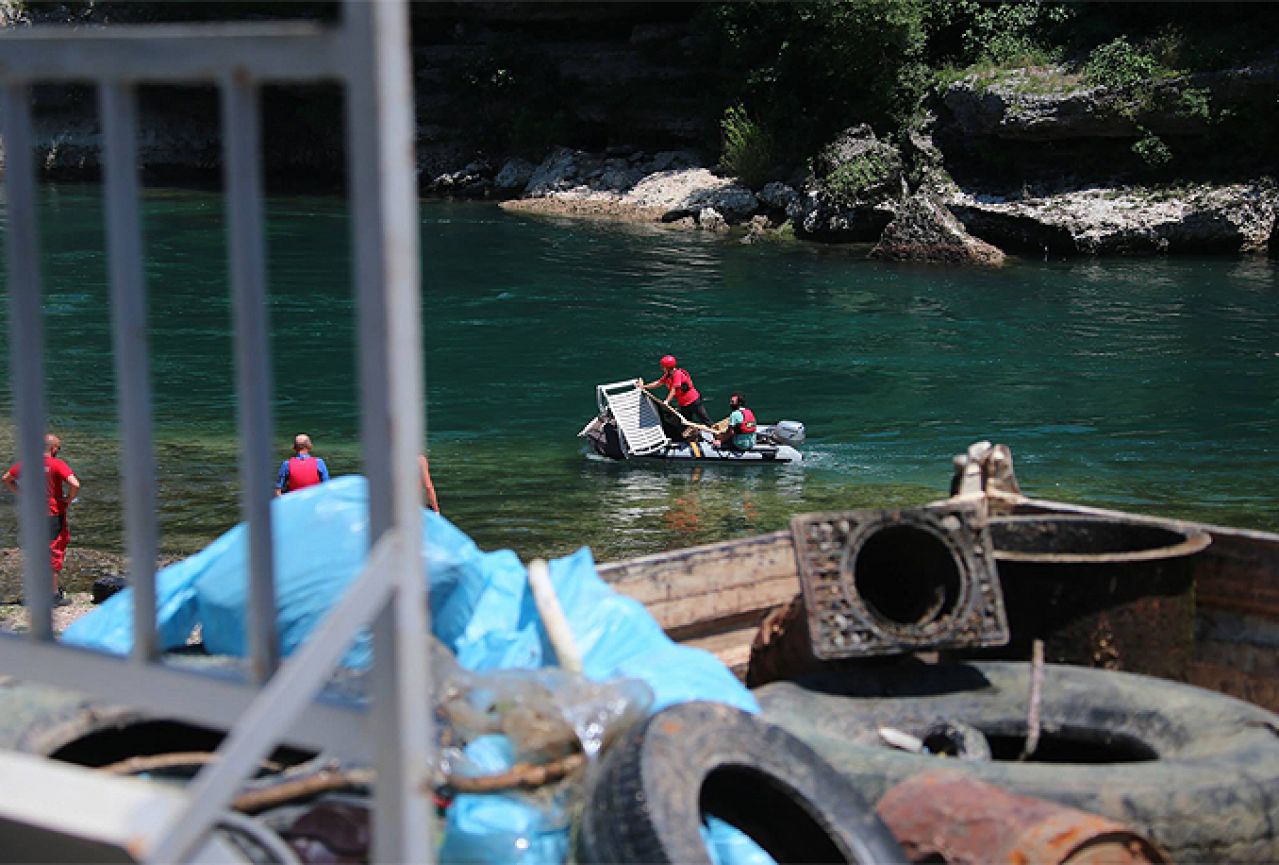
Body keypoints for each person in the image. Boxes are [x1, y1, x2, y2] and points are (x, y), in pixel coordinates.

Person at [3, 433, 80, 605]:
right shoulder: (57, 464)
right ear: (53, 449)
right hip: (52, 513)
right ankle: (52, 596)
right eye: (58, 448)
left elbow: (6, 479)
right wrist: (68, 498)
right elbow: (75, 484)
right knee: (53, 552)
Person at [637, 354, 712, 426]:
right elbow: (658, 383)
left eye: (663, 367)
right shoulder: (668, 375)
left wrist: (666, 401)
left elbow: (674, 389)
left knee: (705, 420)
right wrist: (644, 387)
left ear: (667, 368)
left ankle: (717, 435)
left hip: (694, 401)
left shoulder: (677, 374)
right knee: (686, 422)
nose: (662, 368)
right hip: (684, 404)